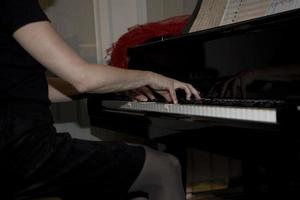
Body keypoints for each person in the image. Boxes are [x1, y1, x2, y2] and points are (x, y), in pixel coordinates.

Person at [0, 0, 201, 200]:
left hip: (12, 151)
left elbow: (31, 88)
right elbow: (83, 78)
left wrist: (117, 87)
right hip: (25, 151)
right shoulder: (16, 4)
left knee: (132, 170)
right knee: (166, 168)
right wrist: (150, 77)